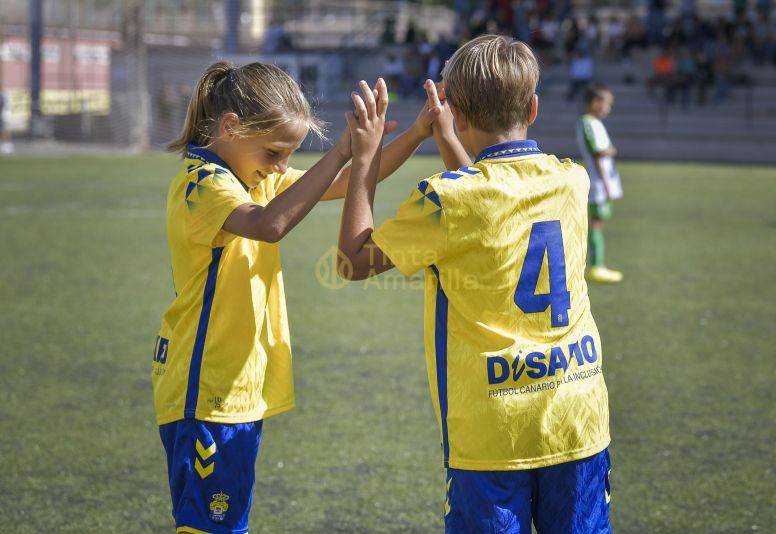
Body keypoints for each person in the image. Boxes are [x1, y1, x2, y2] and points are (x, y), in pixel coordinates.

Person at [152, 61, 447, 534]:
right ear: (230, 127)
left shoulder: (255, 177)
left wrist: (415, 133)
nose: (281, 166)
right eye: (274, 152)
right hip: (204, 388)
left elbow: (342, 184)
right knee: (210, 525)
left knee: (222, 523)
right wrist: (342, 150)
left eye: (288, 155)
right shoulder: (202, 184)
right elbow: (269, 225)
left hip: (236, 386)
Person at [337, 35, 612, 533]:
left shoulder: (445, 200)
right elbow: (490, 201)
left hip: (492, 429)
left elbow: (352, 261)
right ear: (533, 107)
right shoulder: (571, 179)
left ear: (458, 115)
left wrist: (364, 158)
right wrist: (448, 137)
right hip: (576, 413)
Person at [577, 83, 624, 283]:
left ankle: (598, 265)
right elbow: (597, 152)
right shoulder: (587, 122)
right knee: (596, 223)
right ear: (596, 102)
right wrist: (605, 183)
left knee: (599, 222)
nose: (608, 108)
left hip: (605, 179)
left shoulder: (595, 122)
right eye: (607, 104)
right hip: (599, 181)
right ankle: (596, 266)